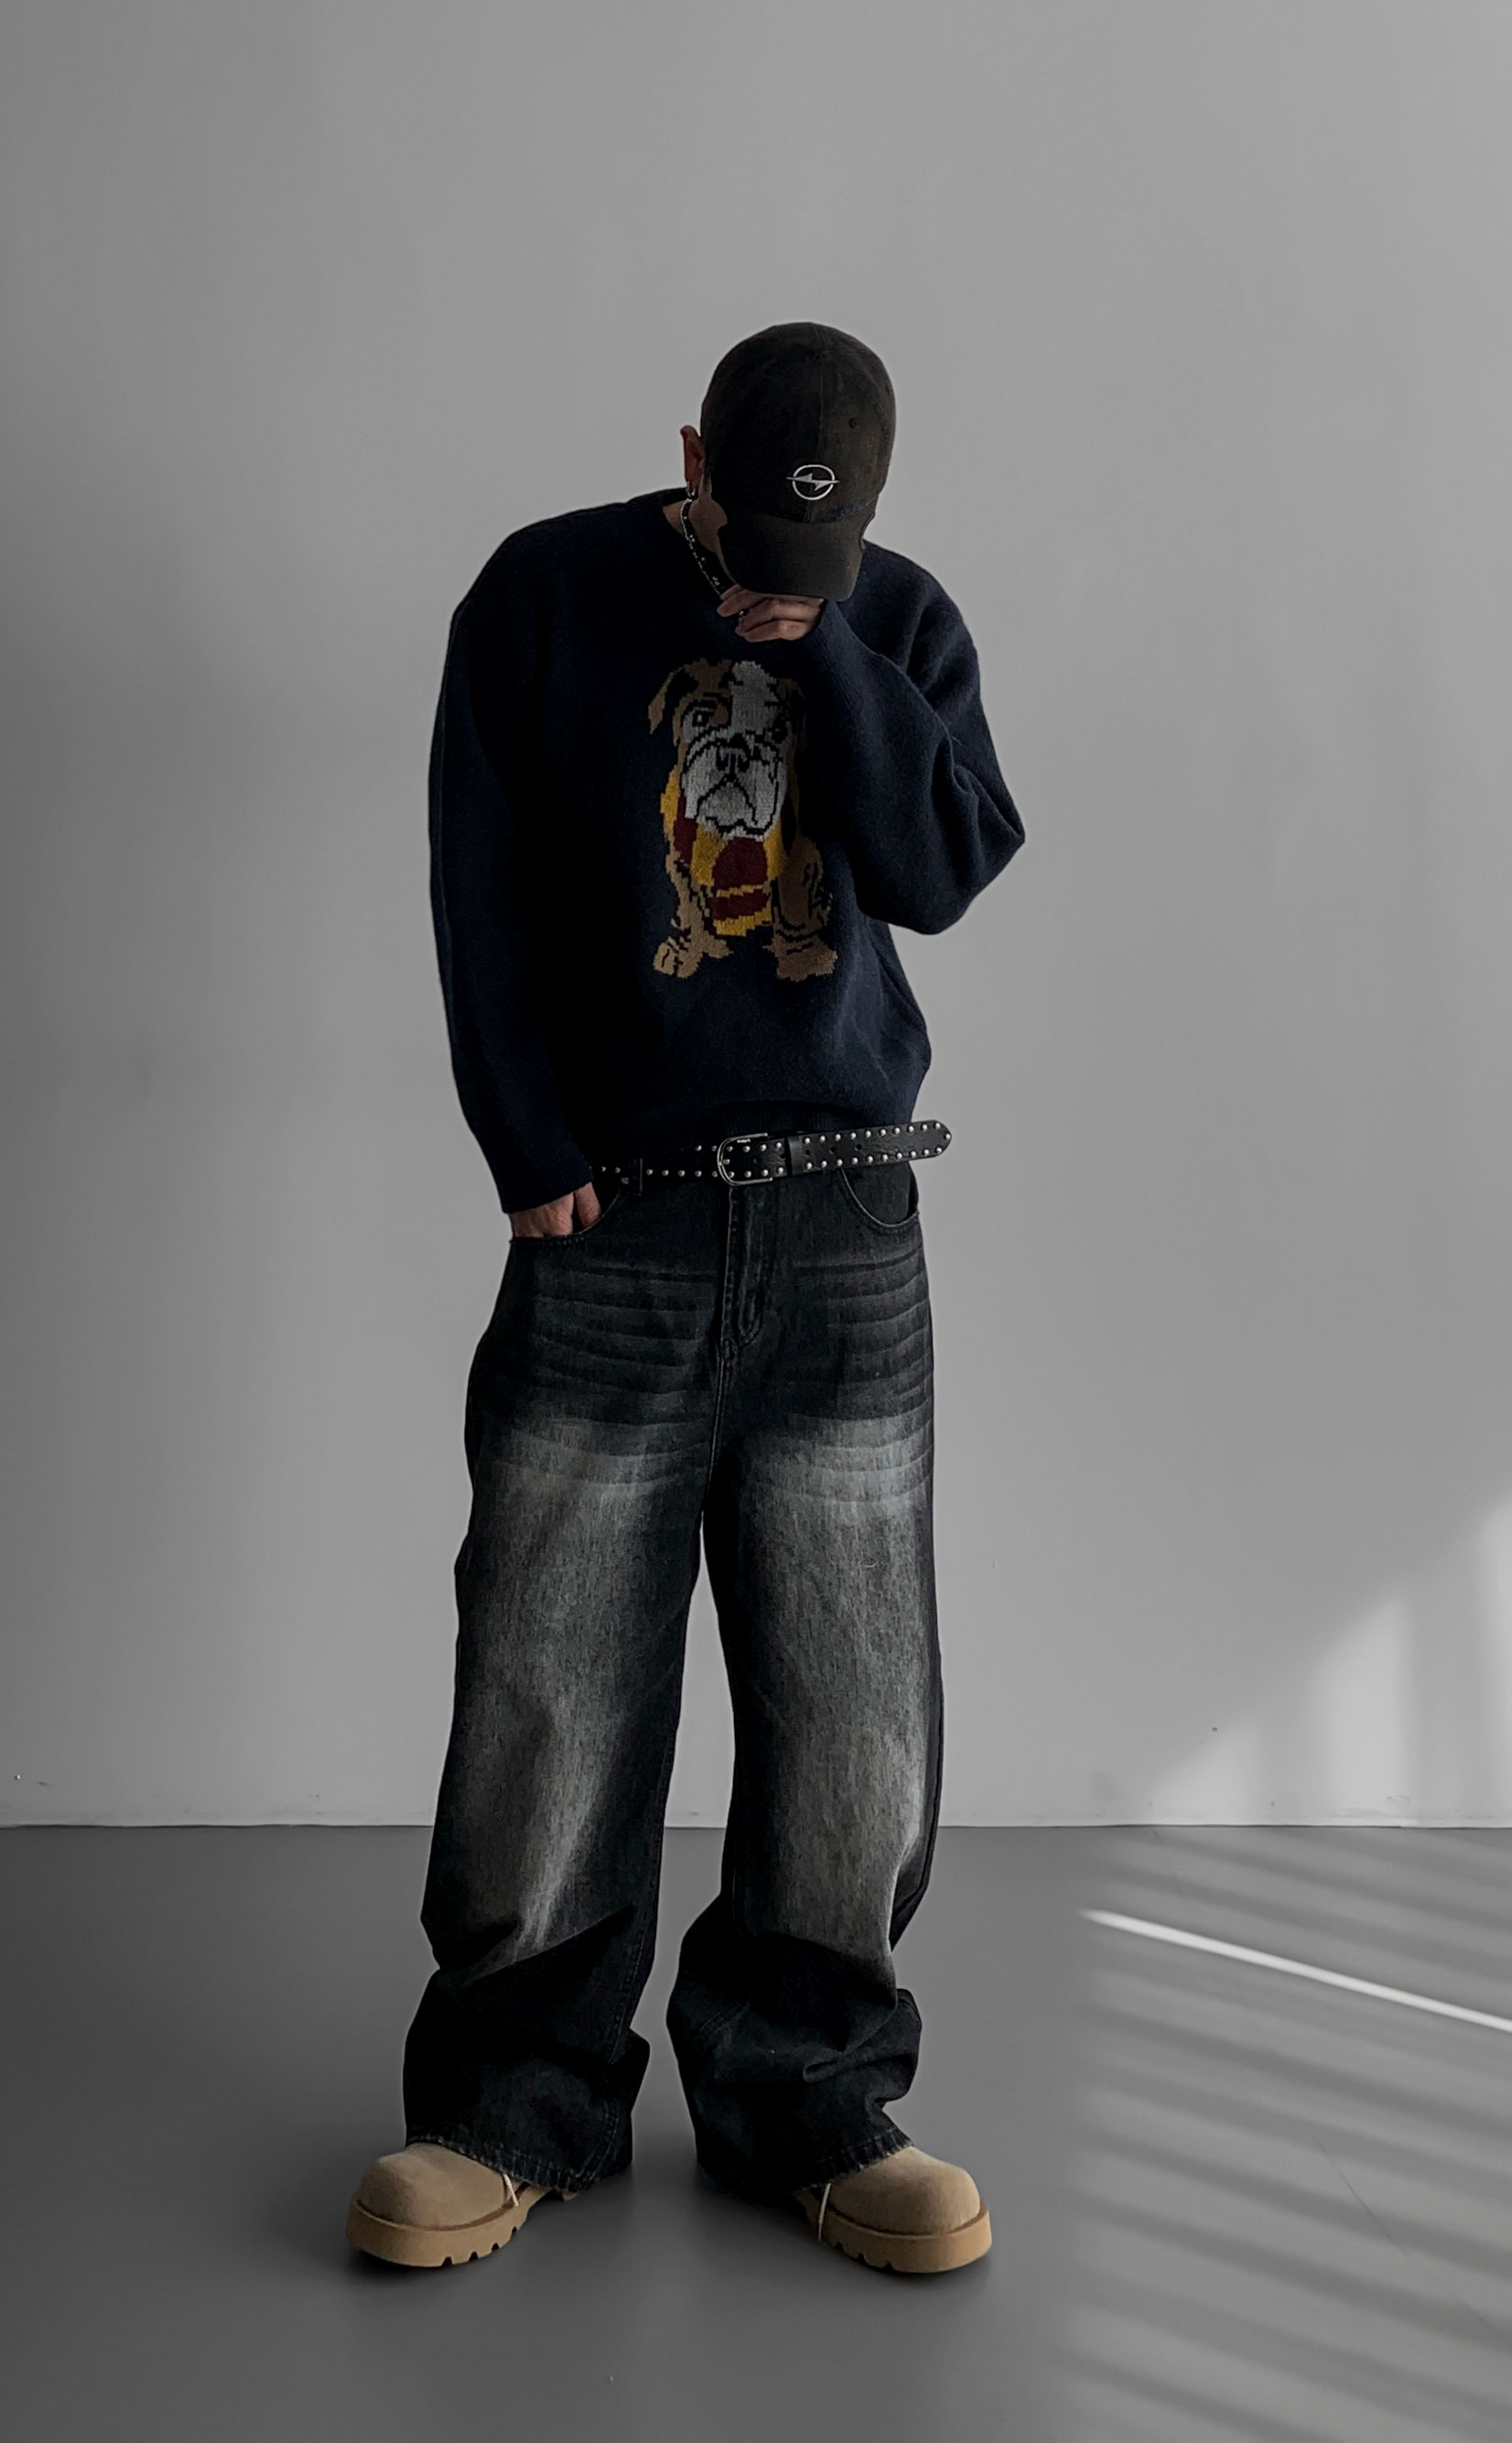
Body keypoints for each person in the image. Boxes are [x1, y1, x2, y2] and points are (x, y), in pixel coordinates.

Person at [347, 324, 1024, 2275]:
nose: (775, 578)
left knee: (857, 1706)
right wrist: (523, 1135)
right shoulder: (546, 595)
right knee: (549, 1680)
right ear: (690, 460)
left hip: (848, 1215)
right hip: (615, 1218)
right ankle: (512, 2099)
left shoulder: (897, 611)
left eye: (823, 548)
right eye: (752, 538)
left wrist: (832, 654)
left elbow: (942, 867)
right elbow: (477, 881)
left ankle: (813, 2094)